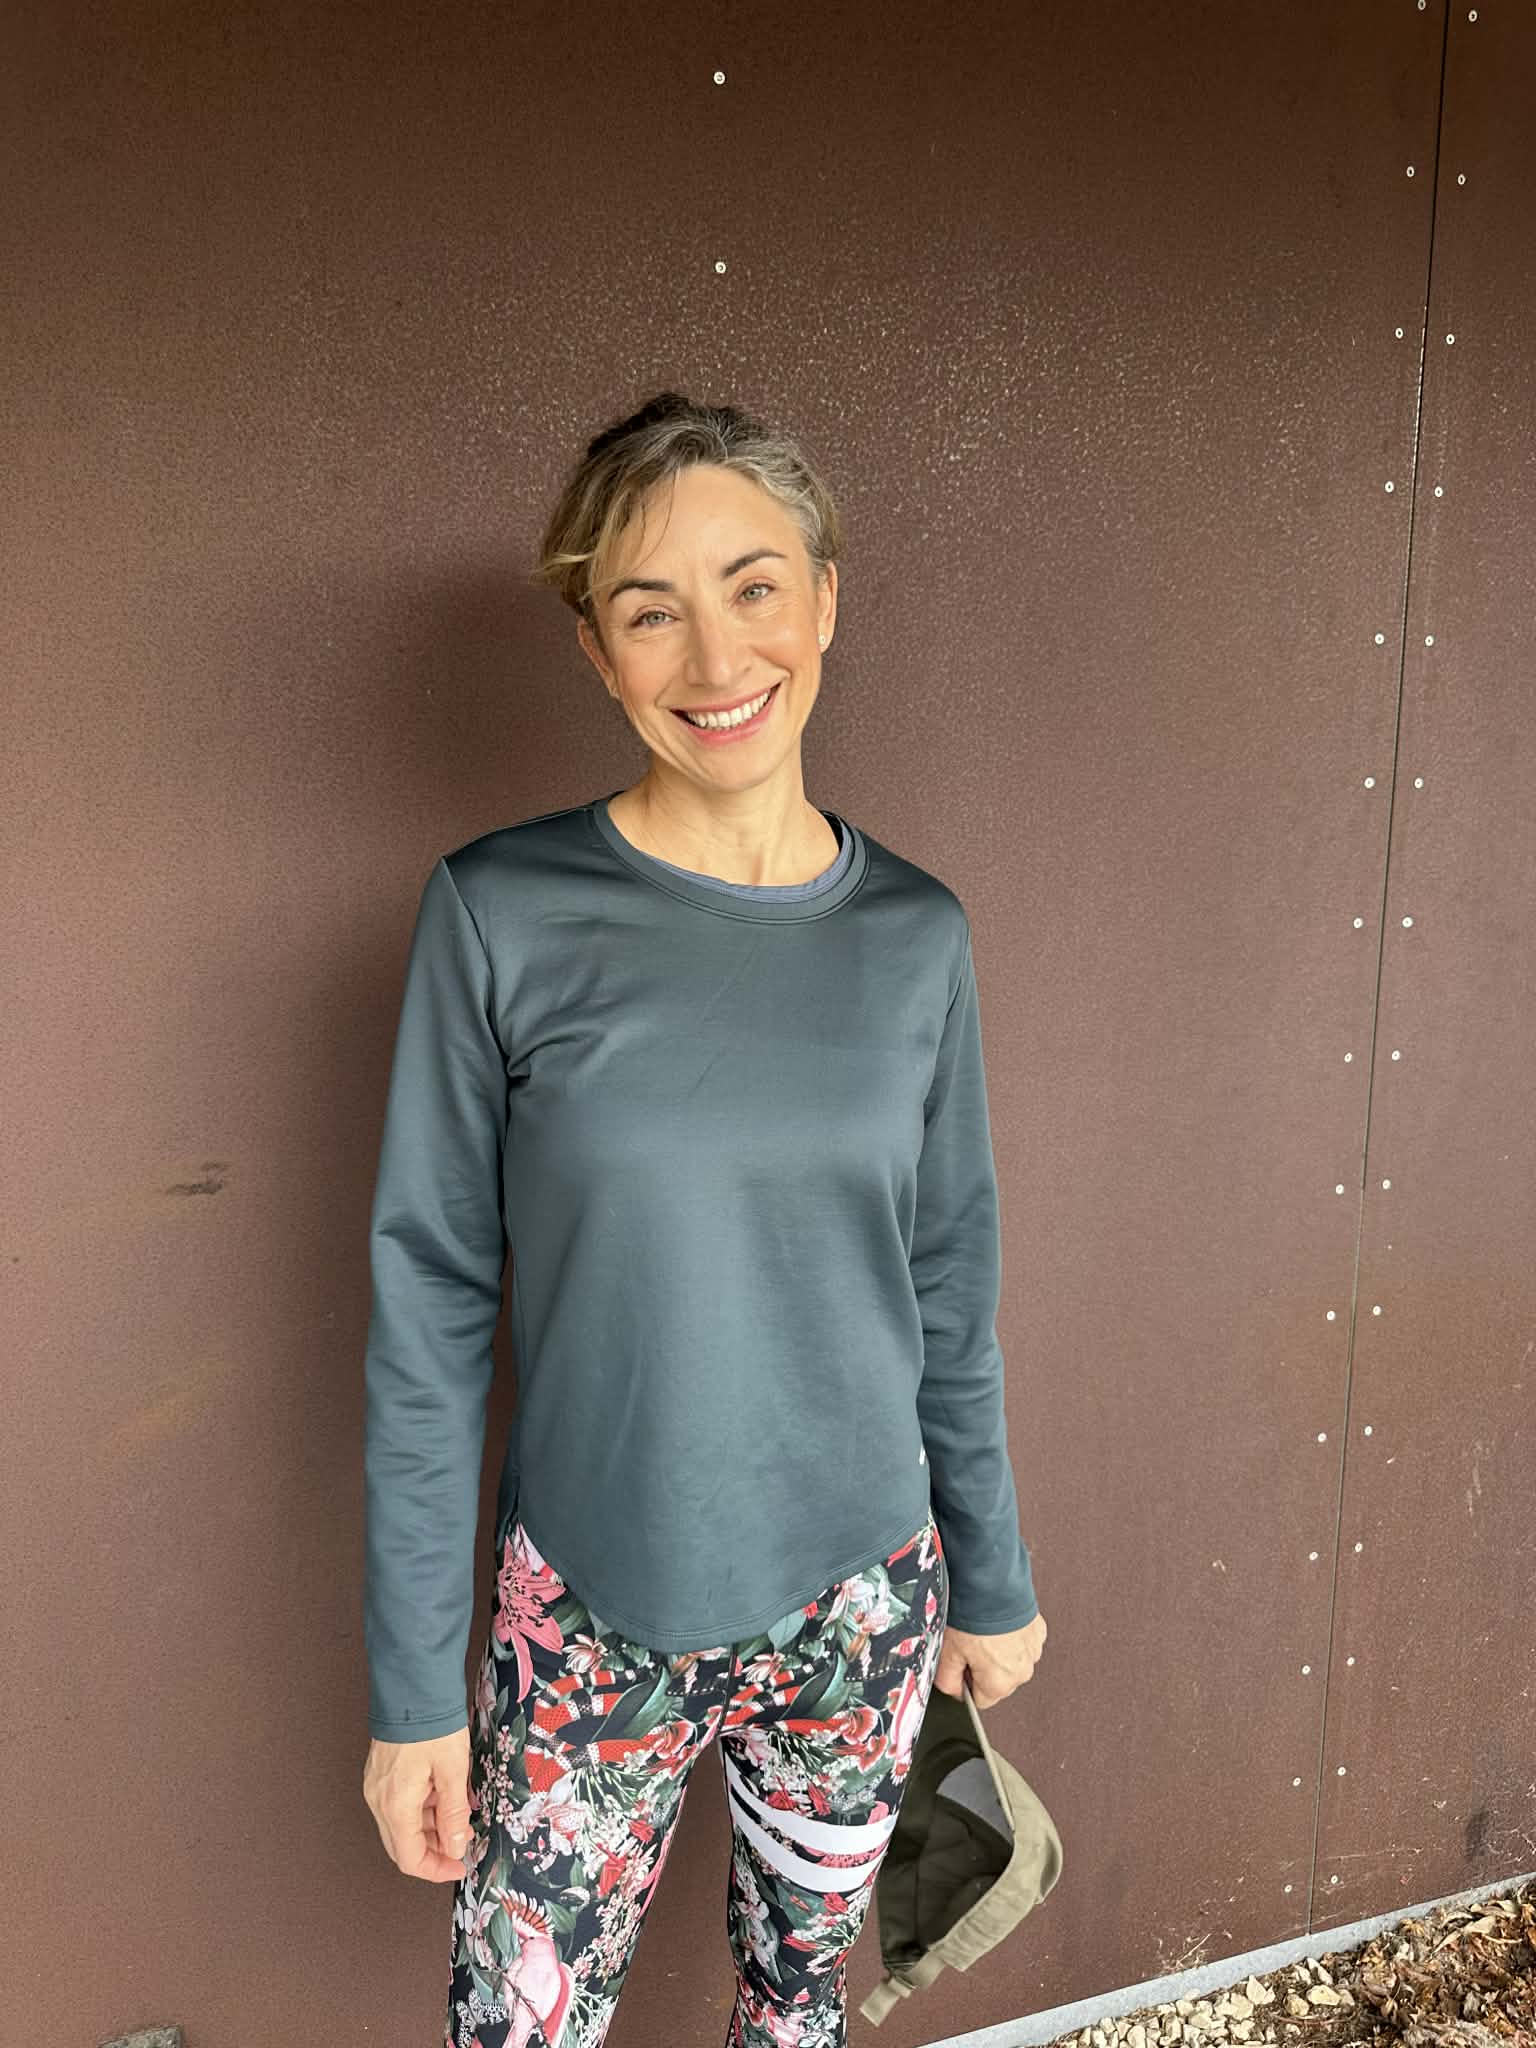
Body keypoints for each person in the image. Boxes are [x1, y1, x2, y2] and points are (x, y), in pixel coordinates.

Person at [360, 390, 1049, 2047]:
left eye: (753, 588)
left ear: (825, 601)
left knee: (798, 2016)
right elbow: (430, 1310)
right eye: (649, 609)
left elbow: (947, 1279)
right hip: (591, 1612)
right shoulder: (498, 914)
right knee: (518, 2027)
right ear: (597, 653)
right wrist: (412, 1687)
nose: (715, 655)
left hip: (861, 1606)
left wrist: (992, 1571)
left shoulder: (917, 936)